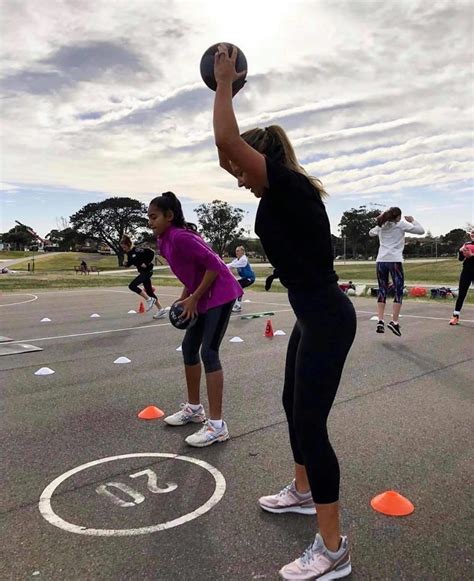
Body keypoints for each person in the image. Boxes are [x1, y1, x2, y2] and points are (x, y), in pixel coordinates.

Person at [213, 44, 357, 580]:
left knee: (312, 426)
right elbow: (227, 150)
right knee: (290, 404)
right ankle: (301, 491)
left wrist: (224, 83)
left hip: (325, 316)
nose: (236, 176)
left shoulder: (288, 186)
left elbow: (227, 141)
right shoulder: (277, 196)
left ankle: (334, 549)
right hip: (312, 314)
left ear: (263, 159)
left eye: (241, 168)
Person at [148, 192, 242, 447]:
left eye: (154, 217)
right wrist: (184, 299)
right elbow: (192, 273)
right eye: (148, 217)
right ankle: (194, 409)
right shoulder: (164, 241)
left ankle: (217, 426)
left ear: (170, 216)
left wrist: (194, 297)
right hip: (201, 295)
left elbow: (214, 265)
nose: (150, 222)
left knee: (209, 352)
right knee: (190, 348)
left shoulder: (181, 237)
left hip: (221, 294)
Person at [369, 208, 424, 336]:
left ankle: (380, 320)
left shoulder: (382, 225)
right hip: (394, 260)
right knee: (398, 290)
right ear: (398, 217)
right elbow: (421, 231)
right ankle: (394, 321)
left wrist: (381, 220)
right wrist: (413, 221)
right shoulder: (401, 224)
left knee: (382, 289)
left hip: (381, 261)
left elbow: (371, 233)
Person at [120, 235, 167, 319]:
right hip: (143, 272)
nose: (123, 249)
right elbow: (130, 263)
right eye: (122, 248)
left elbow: (151, 252)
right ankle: (161, 310)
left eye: (124, 247)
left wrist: (146, 263)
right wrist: (125, 264)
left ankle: (149, 300)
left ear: (128, 245)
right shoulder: (130, 254)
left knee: (132, 286)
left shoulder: (137, 250)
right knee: (149, 291)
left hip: (147, 271)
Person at [449, 229, 474, 325]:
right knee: (461, 294)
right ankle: (455, 316)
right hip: (467, 271)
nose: (473, 234)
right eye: (472, 233)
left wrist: (472, 255)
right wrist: (460, 251)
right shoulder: (466, 244)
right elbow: (460, 259)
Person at [227, 245, 256, 311]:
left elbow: (233, 265)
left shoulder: (243, 259)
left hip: (250, 278)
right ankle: (236, 304)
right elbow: (230, 265)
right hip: (244, 278)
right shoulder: (237, 259)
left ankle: (238, 306)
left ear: (242, 252)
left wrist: (223, 266)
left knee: (238, 286)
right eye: (236, 251)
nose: (236, 252)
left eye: (238, 251)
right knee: (234, 285)